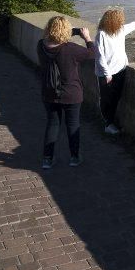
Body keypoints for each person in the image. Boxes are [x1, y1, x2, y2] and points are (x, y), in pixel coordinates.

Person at [37, 16, 95, 169]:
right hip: (71, 93)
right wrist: (87, 37)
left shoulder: (41, 45)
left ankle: (47, 159)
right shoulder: (70, 49)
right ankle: (74, 157)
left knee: (52, 124)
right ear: (66, 31)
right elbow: (92, 53)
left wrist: (71, 32)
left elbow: (54, 39)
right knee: (73, 125)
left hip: (49, 92)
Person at [94, 9, 135, 135]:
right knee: (106, 99)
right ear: (113, 22)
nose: (122, 22)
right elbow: (99, 57)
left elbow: (132, 26)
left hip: (120, 69)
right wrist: (107, 74)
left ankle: (110, 122)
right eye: (120, 20)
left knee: (116, 97)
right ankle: (107, 123)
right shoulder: (101, 34)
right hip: (107, 74)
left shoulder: (120, 30)